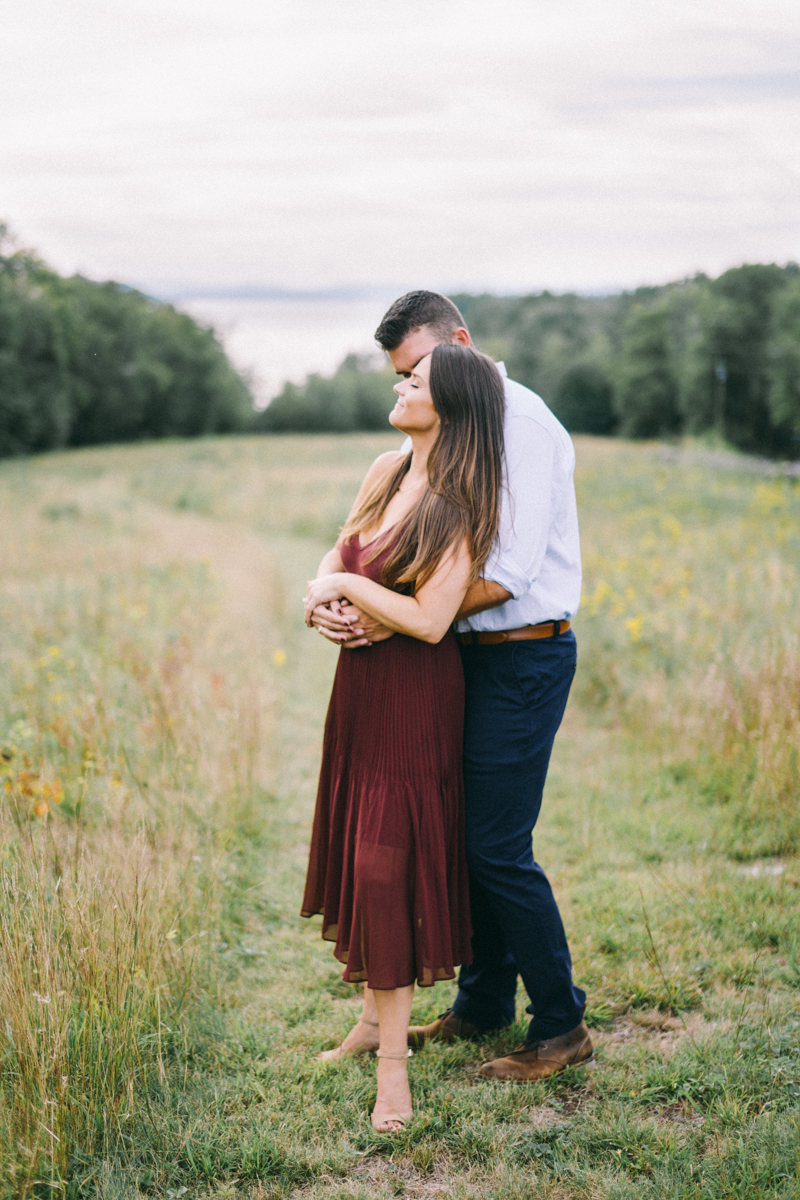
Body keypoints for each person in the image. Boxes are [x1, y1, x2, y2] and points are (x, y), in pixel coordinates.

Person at [311, 291, 593, 1082]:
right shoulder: (438, 443)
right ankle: (482, 1004)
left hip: (523, 653)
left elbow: (507, 573)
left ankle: (561, 1024)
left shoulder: (522, 423)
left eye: (413, 370)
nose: (401, 385)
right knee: (461, 828)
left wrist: (395, 619)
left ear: (458, 345)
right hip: (465, 659)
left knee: (496, 845)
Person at [301, 343, 506, 1130]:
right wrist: (317, 600)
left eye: (414, 381)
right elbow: (339, 544)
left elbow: (426, 621)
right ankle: (367, 1021)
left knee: (388, 871)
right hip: (358, 690)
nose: (400, 383)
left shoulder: (456, 505)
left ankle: (395, 1068)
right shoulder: (386, 471)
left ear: (447, 405)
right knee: (362, 852)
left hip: (416, 701)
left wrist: (348, 587)